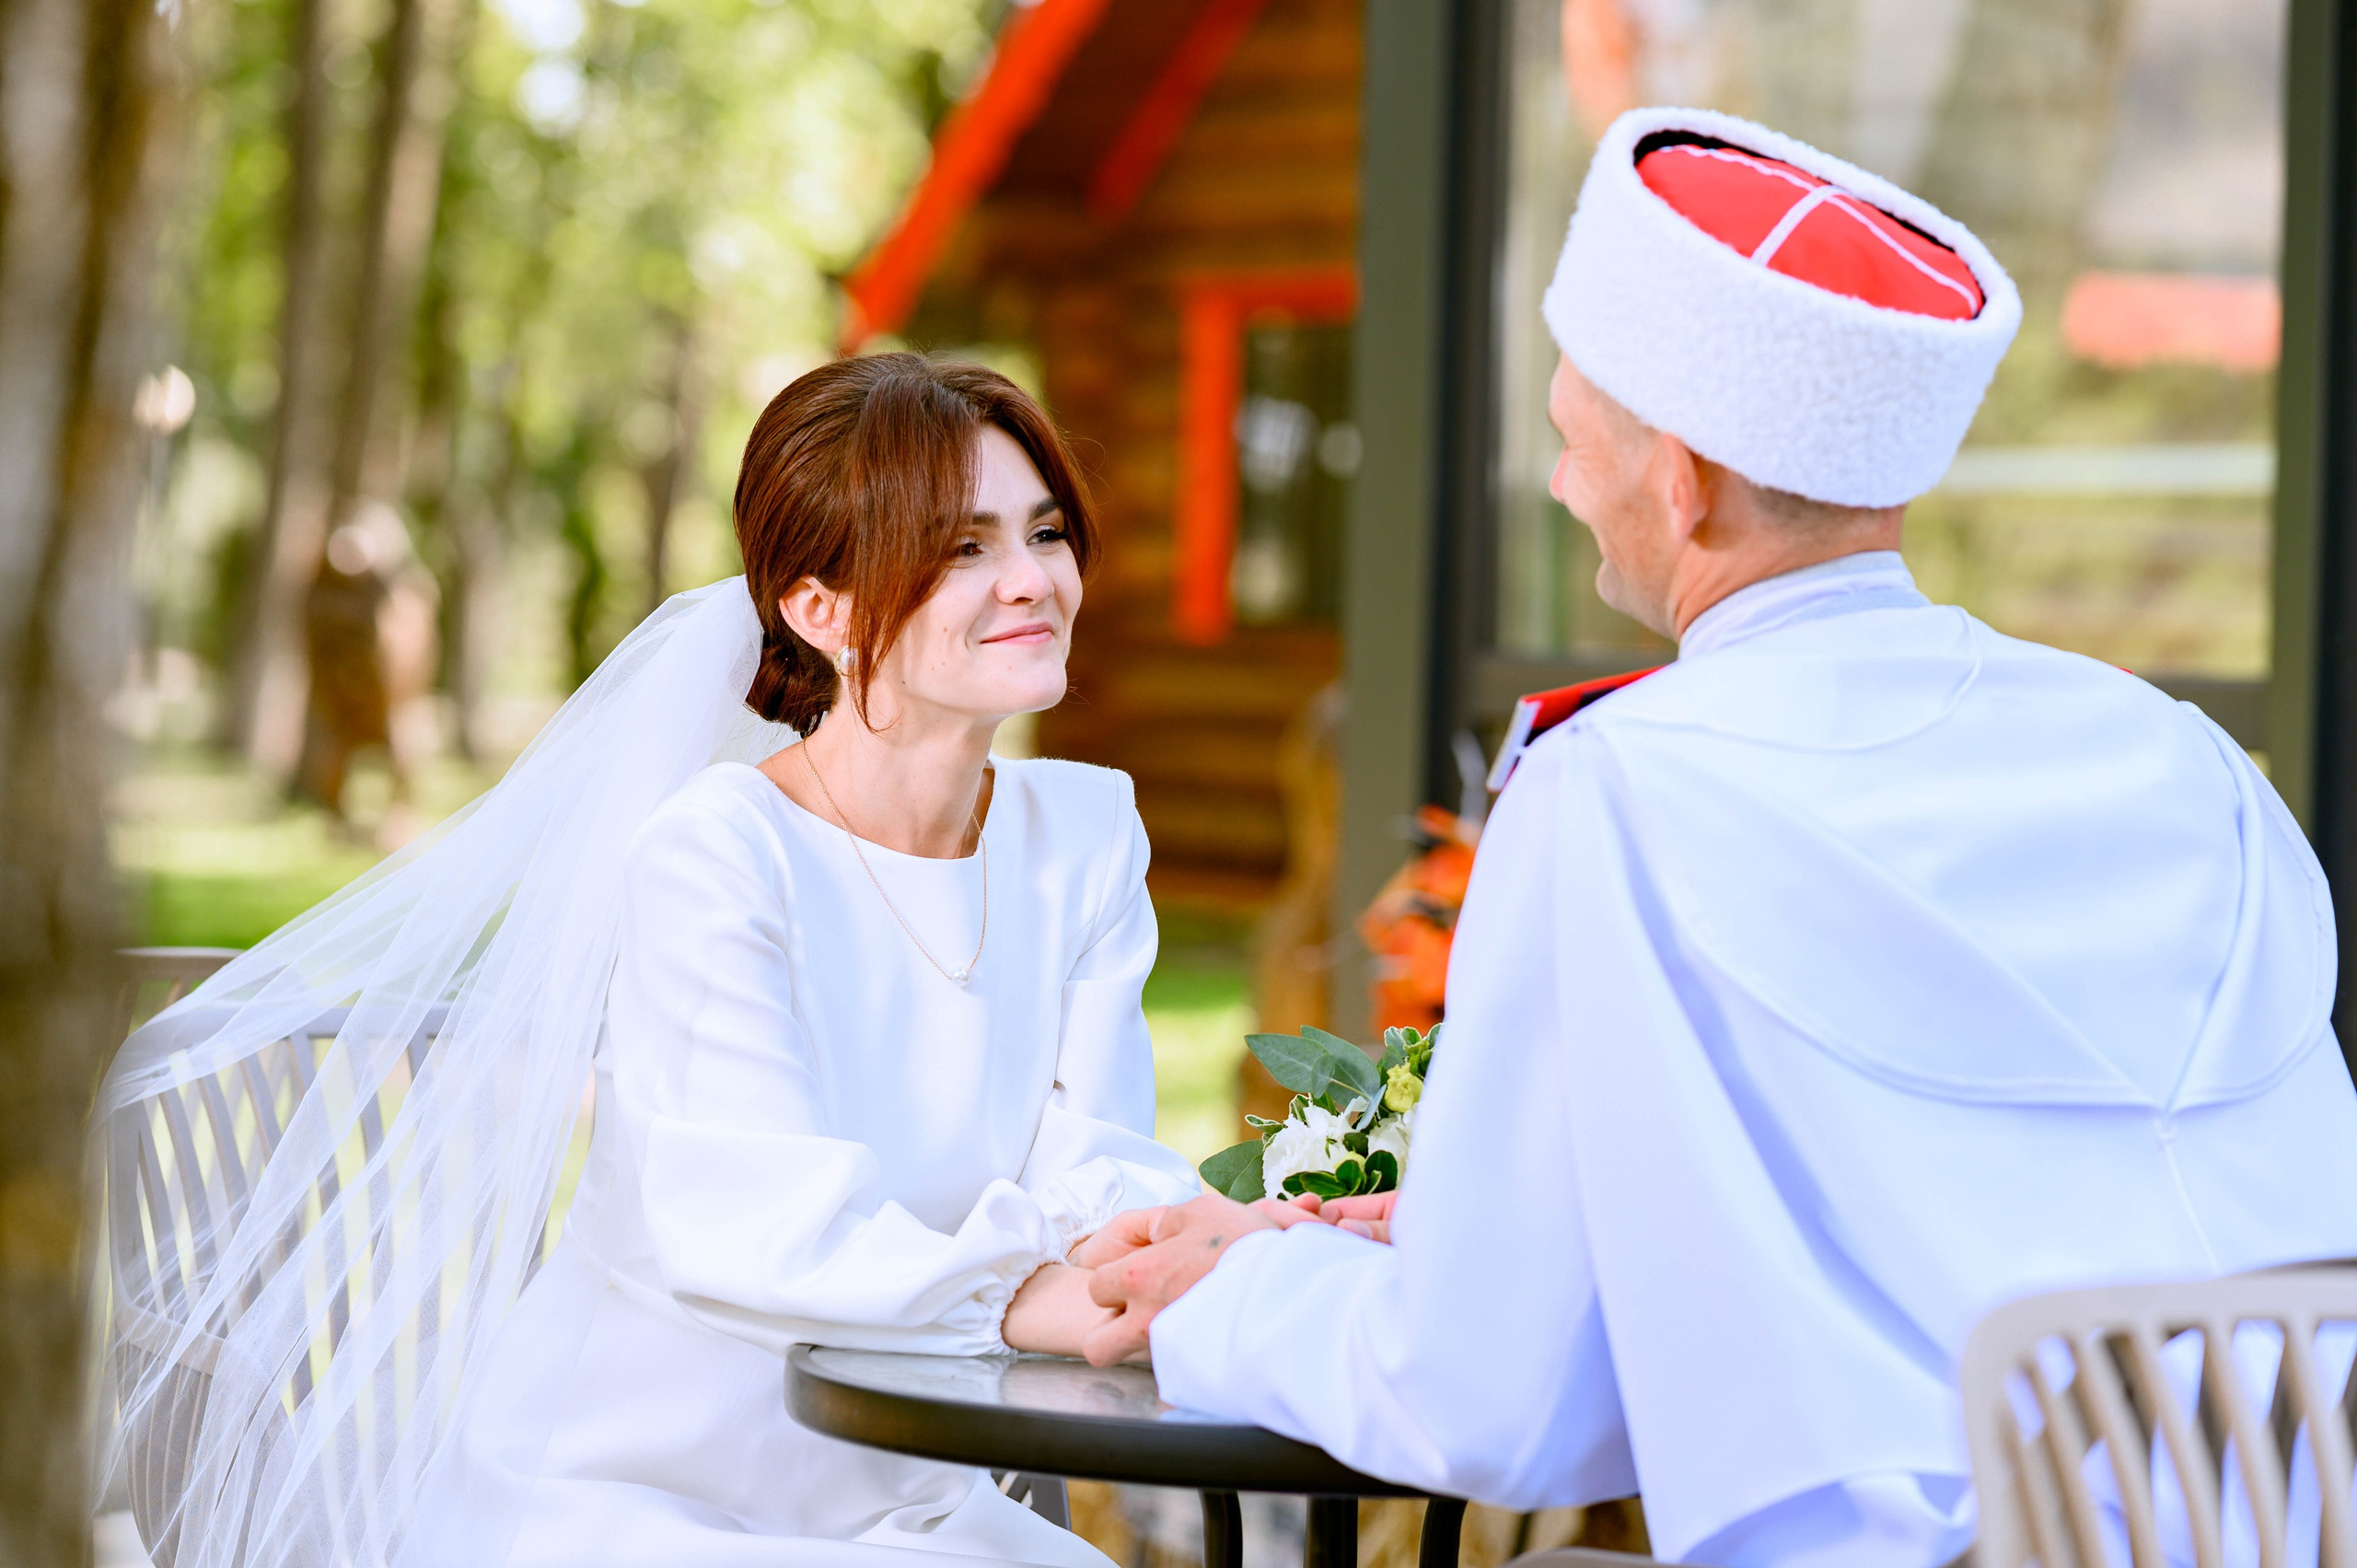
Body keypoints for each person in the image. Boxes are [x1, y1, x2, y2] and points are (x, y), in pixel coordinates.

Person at [1083, 108, 2357, 1568]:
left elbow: (1494, 1409)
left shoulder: (1620, 790)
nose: (1564, 486)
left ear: (1681, 480)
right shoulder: (2179, 756)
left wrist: (1224, 1297)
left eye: (1574, 442)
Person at [94, 355, 1200, 1568]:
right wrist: (1036, 1298)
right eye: (963, 549)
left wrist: (1178, 1255)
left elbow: (1100, 1159)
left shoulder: (1086, 837)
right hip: (636, 1496)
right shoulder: (718, 855)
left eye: (1045, 531)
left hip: (896, 1495)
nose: (1033, 581)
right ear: (817, 609)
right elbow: (758, 1228)